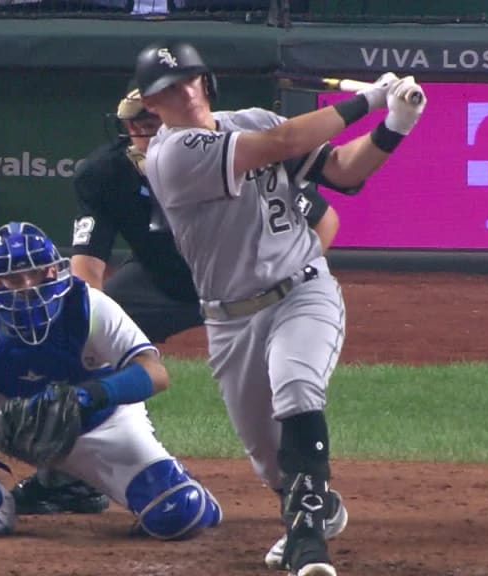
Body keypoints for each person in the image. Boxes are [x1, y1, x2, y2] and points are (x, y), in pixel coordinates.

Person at [135, 42, 426, 575]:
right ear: (152, 105)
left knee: (296, 386)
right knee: (272, 463)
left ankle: (307, 543)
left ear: (205, 81)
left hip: (302, 289)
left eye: (189, 80)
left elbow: (342, 170)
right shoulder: (171, 153)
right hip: (229, 320)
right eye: (166, 90)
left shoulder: (252, 119)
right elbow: (281, 141)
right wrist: (369, 100)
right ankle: (315, 507)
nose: (183, 93)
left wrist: (397, 124)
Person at [12, 81, 342, 516]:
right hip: (164, 285)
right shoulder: (105, 175)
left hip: (245, 285)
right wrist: (87, 333)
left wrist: (278, 272)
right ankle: (68, 478)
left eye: (154, 123)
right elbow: (87, 268)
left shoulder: (230, 154)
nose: (146, 134)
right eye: (137, 125)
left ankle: (301, 492)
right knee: (79, 332)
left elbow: (325, 218)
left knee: (277, 386)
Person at [0, 220, 222, 541]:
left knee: (180, 513)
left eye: (35, 272)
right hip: (15, 412)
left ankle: (177, 490)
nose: (26, 285)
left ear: (54, 270)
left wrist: (87, 396)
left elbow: (155, 373)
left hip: (99, 424)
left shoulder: (91, 307)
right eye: (12, 278)